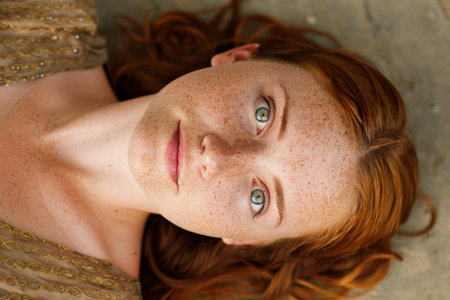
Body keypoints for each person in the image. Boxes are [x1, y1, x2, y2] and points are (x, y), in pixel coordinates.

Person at [0, 0, 435, 299]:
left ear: (242, 239)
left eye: (258, 197)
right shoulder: (42, 13)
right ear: (238, 57)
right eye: (263, 114)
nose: (216, 157)